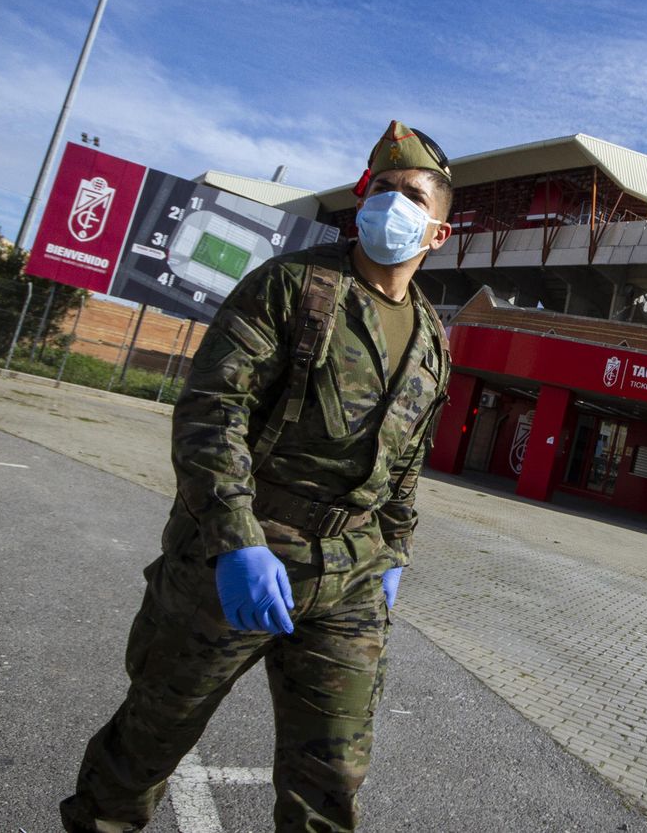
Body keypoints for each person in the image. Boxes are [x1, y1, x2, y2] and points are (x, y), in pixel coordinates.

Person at [60, 121, 454, 832]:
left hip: (351, 575)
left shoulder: (432, 339)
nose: (389, 203)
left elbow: (408, 464)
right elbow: (214, 412)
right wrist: (236, 540)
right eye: (380, 189)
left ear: (437, 232)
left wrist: (395, 551)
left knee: (330, 779)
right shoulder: (294, 286)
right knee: (149, 741)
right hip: (244, 555)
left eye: (410, 194)